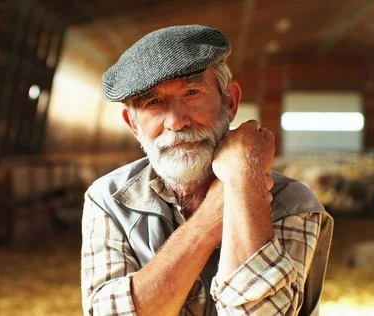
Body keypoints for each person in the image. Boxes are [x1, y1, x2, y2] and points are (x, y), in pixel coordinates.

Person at [81, 25, 333, 316]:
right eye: (153, 102)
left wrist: (243, 177)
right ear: (133, 126)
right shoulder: (110, 199)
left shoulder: (292, 202)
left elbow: (261, 312)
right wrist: (211, 217)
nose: (176, 122)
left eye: (192, 92)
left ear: (231, 103)